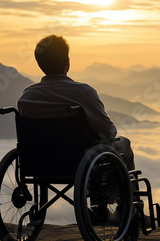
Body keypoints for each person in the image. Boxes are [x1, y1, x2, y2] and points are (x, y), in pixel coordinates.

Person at [17, 34, 135, 171]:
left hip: (39, 161)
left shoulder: (27, 97)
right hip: (79, 161)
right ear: (67, 62)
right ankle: (124, 192)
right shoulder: (83, 92)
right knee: (124, 144)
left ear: (39, 64)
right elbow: (108, 132)